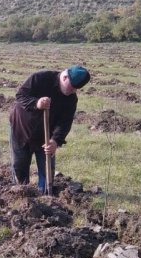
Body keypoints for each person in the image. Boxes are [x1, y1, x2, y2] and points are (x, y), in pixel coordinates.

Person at [8, 65, 90, 193]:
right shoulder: (40, 78)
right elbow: (20, 95)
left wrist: (55, 141)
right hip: (21, 129)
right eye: (71, 87)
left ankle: (46, 195)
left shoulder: (71, 99)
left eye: (75, 89)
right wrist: (37, 103)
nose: (72, 91)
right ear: (65, 77)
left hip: (45, 138)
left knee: (47, 172)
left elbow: (65, 123)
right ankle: (22, 194)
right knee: (19, 166)